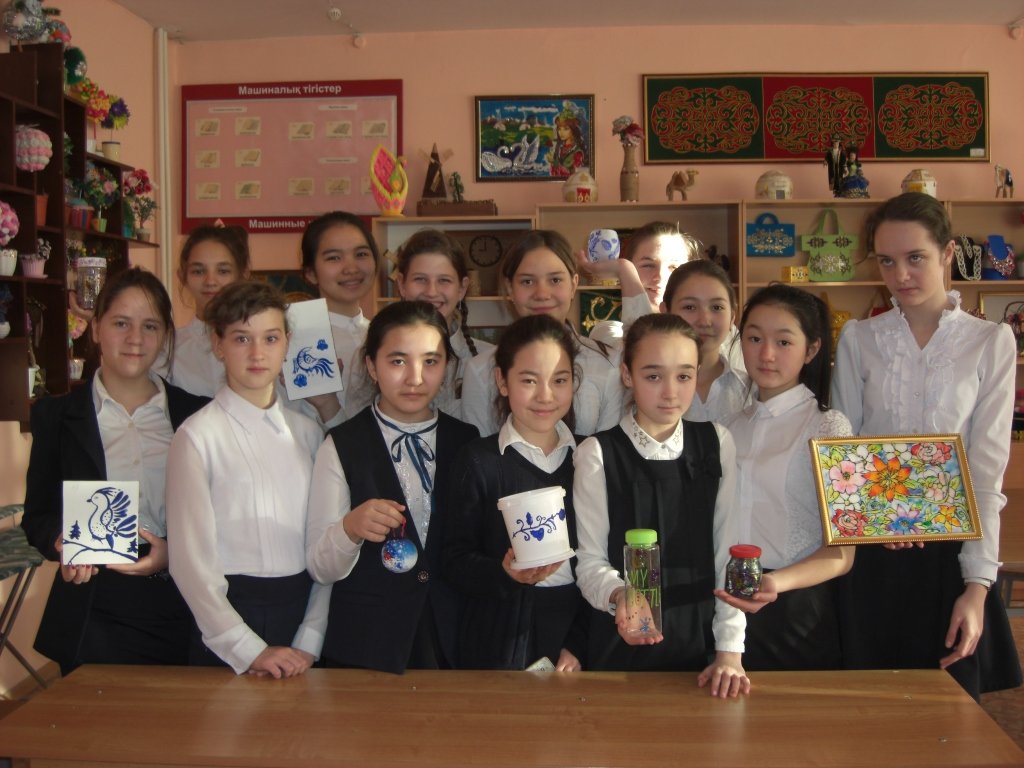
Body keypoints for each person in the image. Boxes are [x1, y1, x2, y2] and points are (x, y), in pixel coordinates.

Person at [831, 192, 1022, 699]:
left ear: (947, 252)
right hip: (872, 551)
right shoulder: (858, 338)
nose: (901, 275)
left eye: (915, 257)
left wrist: (977, 586)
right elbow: (843, 452)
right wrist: (878, 521)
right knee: (867, 707)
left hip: (952, 554)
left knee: (948, 711)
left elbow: (986, 469)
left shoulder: (990, 341)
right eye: (886, 261)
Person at [22, 267, 208, 675]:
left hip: (185, 603)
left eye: (150, 326)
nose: (135, 339)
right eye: (121, 323)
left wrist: (174, 551)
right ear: (96, 329)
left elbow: (222, 515)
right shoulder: (57, 416)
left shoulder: (197, 414)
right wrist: (61, 541)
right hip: (94, 608)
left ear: (165, 336)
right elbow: (37, 515)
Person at [573, 313, 749, 697]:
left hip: (702, 641)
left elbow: (728, 552)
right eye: (653, 376)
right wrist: (620, 595)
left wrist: (729, 650)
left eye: (684, 376)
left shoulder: (716, 442)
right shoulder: (597, 453)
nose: (670, 392)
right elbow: (588, 561)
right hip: (621, 638)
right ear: (627, 374)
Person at [306, 301, 479, 673]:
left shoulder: (467, 441)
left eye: (430, 361)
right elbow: (320, 567)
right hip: (367, 642)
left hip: (453, 640)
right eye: (398, 361)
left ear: (447, 366)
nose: (415, 378)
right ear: (372, 366)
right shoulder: (342, 444)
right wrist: (350, 528)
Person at [166, 281, 329, 678]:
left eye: (270, 338)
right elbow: (190, 563)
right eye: (241, 338)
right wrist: (247, 648)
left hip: (300, 616)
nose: (257, 353)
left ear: (287, 343)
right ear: (218, 344)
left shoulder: (309, 435)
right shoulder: (197, 436)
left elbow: (324, 543)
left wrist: (310, 636)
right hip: (225, 624)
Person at [714, 284, 854, 671]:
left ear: (811, 349)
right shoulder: (727, 426)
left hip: (795, 606)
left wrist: (776, 583)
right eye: (754, 338)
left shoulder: (830, 428)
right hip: (726, 600)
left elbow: (842, 553)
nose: (766, 354)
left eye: (784, 342)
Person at [442, 315, 587, 670]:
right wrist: (504, 572)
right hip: (496, 636)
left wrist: (582, 642)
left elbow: (606, 560)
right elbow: (454, 559)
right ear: (501, 381)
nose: (545, 395)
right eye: (528, 380)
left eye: (559, 380)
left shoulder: (590, 458)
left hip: (576, 631)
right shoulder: (478, 460)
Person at [461, 230, 622, 437]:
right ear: (509, 288)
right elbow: (480, 451)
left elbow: (610, 450)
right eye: (527, 282)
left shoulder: (608, 363)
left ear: (573, 284)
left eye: (555, 280)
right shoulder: (481, 370)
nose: (542, 294)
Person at [347, 229, 491, 418]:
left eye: (444, 280)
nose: (431, 292)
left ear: (462, 288)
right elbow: (357, 425)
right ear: (401, 284)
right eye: (420, 279)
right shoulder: (372, 354)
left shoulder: (487, 359)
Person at [297, 211, 380, 425]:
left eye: (361, 254)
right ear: (311, 272)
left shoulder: (382, 333)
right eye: (334, 258)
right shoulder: (298, 338)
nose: (351, 268)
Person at [161, 224, 250, 397]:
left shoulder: (267, 343)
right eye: (198, 271)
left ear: (242, 275)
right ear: (182, 277)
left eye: (223, 271)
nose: (210, 281)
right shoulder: (168, 348)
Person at [579, 221, 698, 346]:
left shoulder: (703, 330)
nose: (660, 276)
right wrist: (624, 268)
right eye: (648, 265)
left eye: (674, 267)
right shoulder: (607, 332)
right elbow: (643, 347)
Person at [661, 260, 750, 423]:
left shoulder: (751, 390)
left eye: (717, 307)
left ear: (732, 316)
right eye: (690, 307)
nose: (704, 321)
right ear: (665, 312)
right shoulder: (645, 388)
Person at [548, 110, 586, 177]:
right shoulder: (559, 148)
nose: (561, 132)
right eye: (559, 129)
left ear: (573, 130)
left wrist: (554, 163)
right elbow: (553, 174)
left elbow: (575, 175)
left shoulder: (577, 152)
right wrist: (552, 163)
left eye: (566, 129)